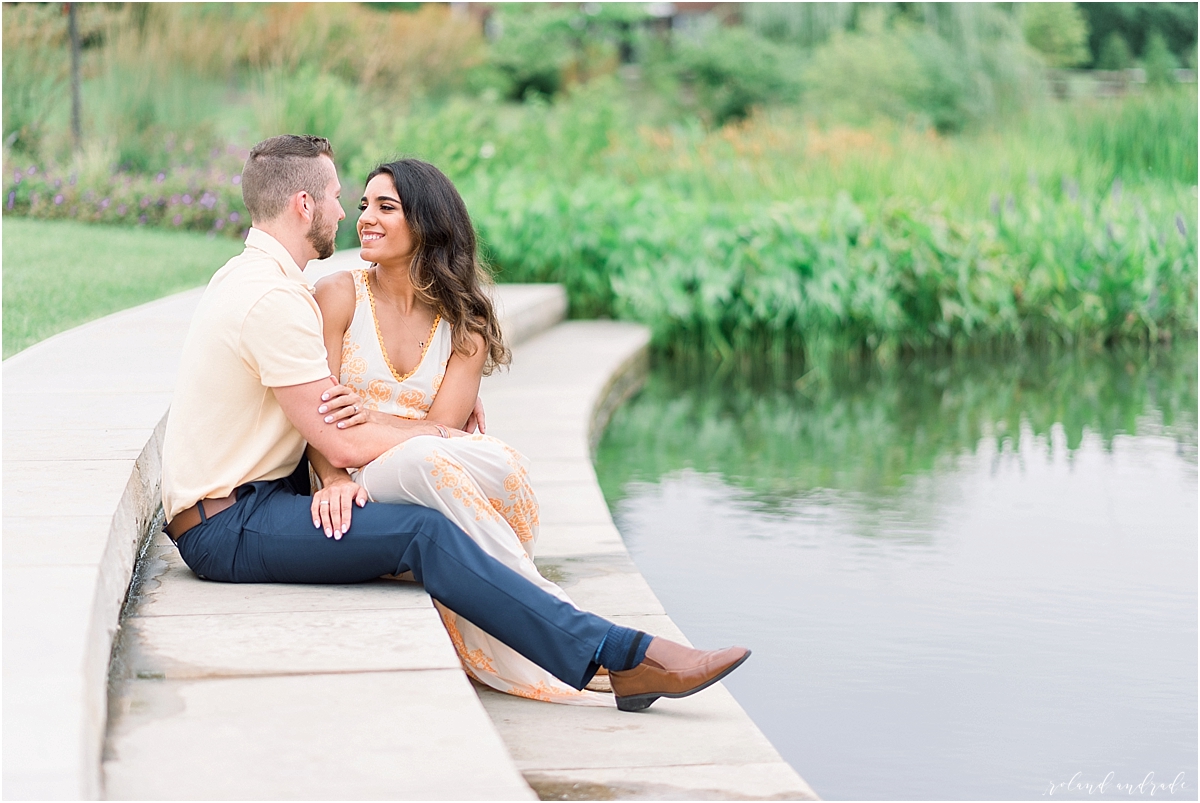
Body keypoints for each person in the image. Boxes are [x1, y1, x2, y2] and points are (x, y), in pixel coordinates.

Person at [160, 134, 749, 713]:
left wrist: (432, 437)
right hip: (228, 523)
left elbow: (343, 427)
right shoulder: (275, 299)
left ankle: (611, 650)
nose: (348, 212)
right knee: (426, 531)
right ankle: (617, 653)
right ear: (303, 205)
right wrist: (438, 436)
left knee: (444, 501)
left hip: (260, 502)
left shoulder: (267, 284)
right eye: (342, 197)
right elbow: (338, 436)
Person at [306, 158, 608, 705]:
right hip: (363, 479)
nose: (366, 219)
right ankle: (563, 623)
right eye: (364, 206)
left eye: (386, 208)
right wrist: (332, 478)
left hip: (427, 469)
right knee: (427, 458)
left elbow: (444, 429)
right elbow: (320, 416)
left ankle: (532, 608)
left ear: (427, 222)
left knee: (506, 462)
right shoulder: (338, 295)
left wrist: (374, 416)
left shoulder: (464, 323)